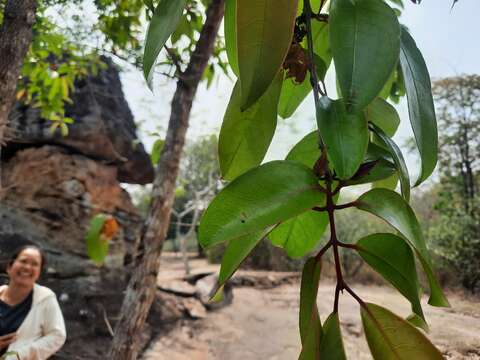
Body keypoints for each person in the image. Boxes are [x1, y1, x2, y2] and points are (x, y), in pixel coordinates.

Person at [0, 245, 66, 359]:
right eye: (23, 261)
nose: (27, 267)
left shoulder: (45, 298)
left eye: (34, 264)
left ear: (39, 273)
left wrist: (19, 355)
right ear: (9, 267)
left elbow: (57, 336)